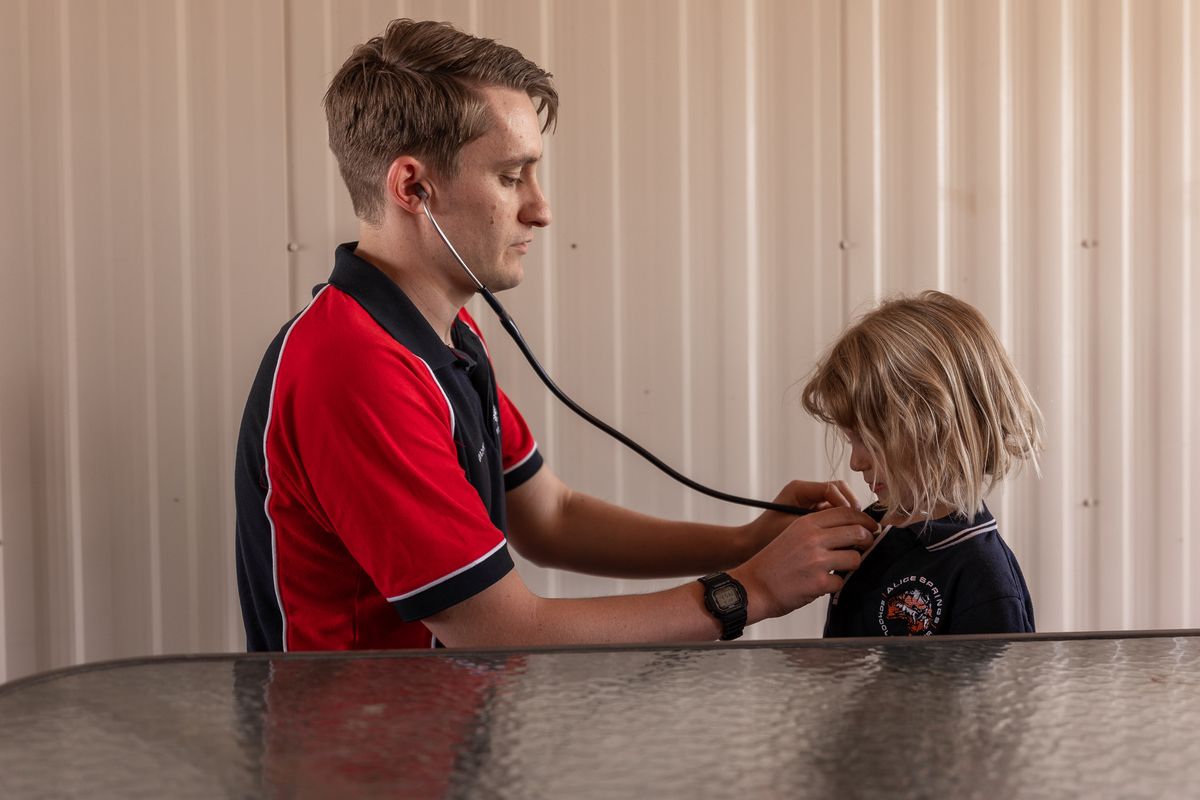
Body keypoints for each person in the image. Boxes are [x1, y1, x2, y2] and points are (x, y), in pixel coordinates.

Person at [234, 18, 876, 652]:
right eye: (512, 177)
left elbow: (550, 517)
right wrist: (750, 591)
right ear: (413, 187)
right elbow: (496, 629)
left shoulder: (443, 336)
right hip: (358, 754)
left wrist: (746, 542)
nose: (541, 210)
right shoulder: (353, 366)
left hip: (433, 741)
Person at [801, 291, 1044, 636]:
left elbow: (997, 692)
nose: (855, 462)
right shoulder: (873, 534)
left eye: (868, 440)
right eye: (850, 440)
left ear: (936, 427)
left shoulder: (981, 577)